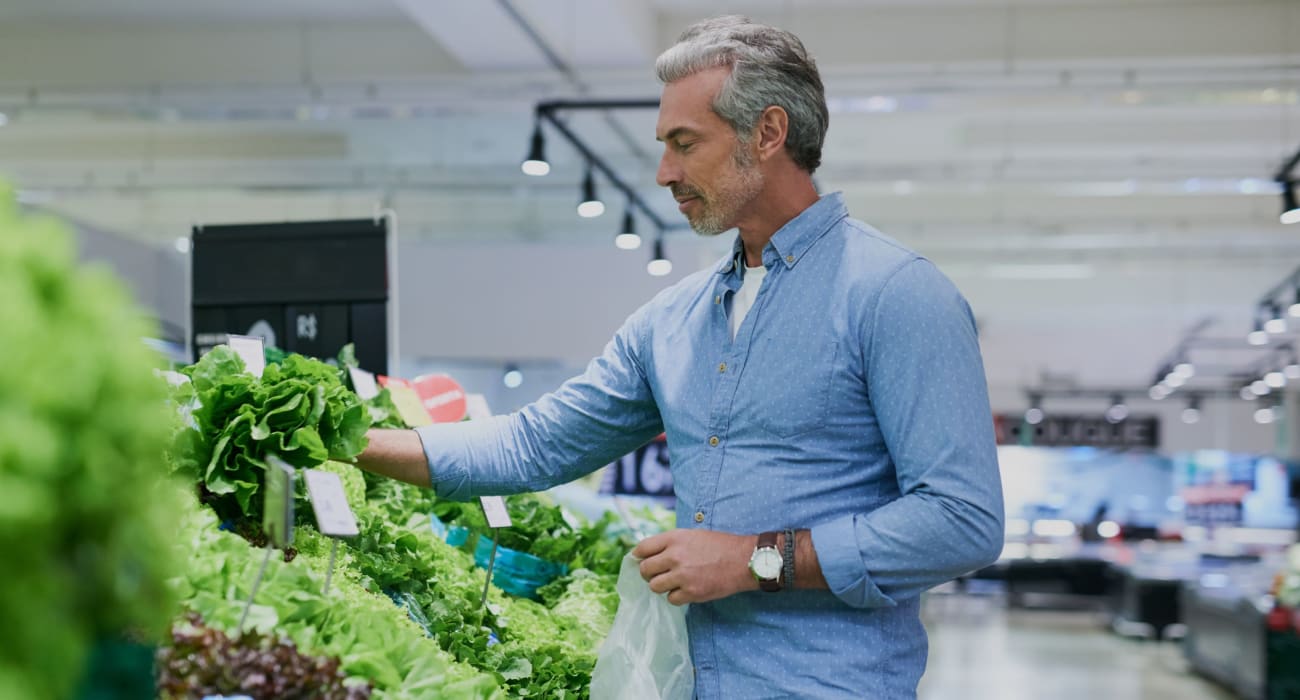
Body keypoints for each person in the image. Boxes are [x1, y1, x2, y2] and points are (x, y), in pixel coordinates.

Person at [356, 15, 1004, 699]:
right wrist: (342, 441)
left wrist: (754, 560)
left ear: (769, 132)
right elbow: (535, 444)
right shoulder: (672, 321)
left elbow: (962, 521)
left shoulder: (897, 296)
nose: (665, 172)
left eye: (685, 143)